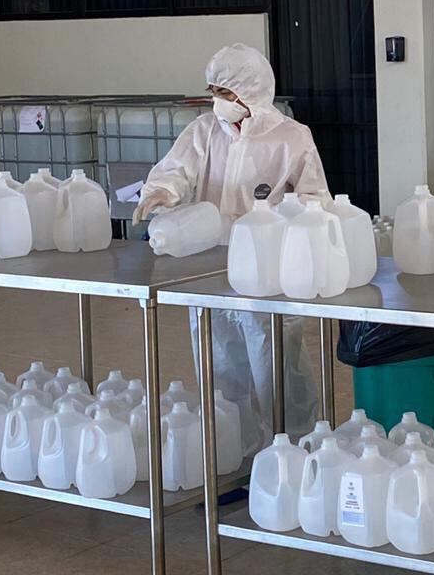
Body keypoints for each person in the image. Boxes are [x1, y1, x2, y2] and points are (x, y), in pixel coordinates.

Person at [133, 43, 329, 451]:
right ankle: (233, 453)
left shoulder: (292, 138)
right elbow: (176, 169)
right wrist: (161, 192)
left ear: (251, 92)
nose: (217, 102)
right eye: (214, 92)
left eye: (225, 92)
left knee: (276, 366)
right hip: (209, 267)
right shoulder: (204, 131)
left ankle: (291, 449)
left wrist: (285, 224)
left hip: (268, 272)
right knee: (220, 368)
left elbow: (315, 200)